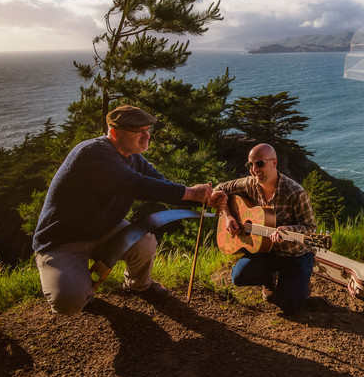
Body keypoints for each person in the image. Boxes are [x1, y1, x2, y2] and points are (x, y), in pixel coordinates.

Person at [33, 104, 225, 315]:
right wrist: (191, 192)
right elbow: (137, 185)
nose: (147, 136)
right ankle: (79, 289)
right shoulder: (93, 153)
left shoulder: (134, 158)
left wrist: (204, 199)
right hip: (62, 240)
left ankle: (138, 285)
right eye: (139, 132)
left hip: (104, 229)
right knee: (68, 303)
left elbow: (160, 184)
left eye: (148, 131)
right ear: (114, 133)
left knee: (144, 242)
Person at [216, 143, 317, 315]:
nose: (254, 169)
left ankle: (301, 280)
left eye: (259, 164)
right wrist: (228, 216)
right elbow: (219, 189)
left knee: (290, 306)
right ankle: (268, 280)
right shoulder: (249, 184)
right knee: (238, 277)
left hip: (295, 254)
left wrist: (288, 230)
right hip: (266, 251)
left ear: (274, 163)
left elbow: (311, 229)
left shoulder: (295, 192)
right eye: (250, 165)